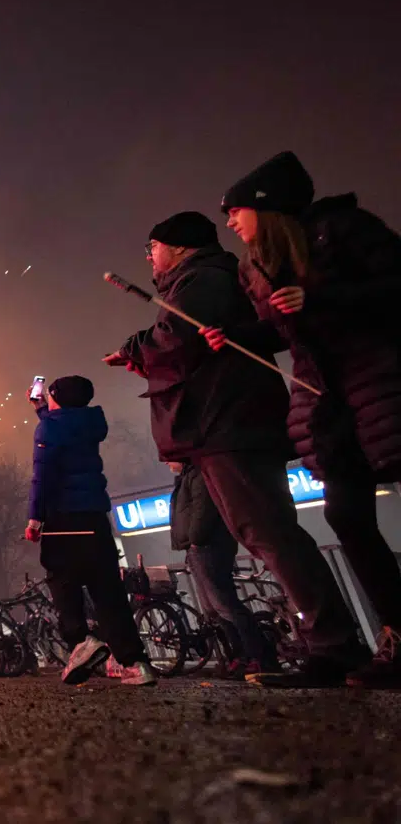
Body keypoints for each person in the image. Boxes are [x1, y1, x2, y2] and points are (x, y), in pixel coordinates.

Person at [106, 209, 367, 689]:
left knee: (270, 533)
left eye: (154, 246)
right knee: (267, 534)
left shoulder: (201, 279)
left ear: (180, 246)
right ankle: (330, 643)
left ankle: (333, 646)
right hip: (226, 424)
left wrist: (138, 346)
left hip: (228, 425)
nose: (149, 257)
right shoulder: (205, 279)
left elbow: (176, 338)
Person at [209, 151, 401, 687]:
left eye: (236, 210)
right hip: (329, 403)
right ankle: (396, 635)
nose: (230, 222)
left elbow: (392, 287)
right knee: (348, 515)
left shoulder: (340, 231)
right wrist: (237, 337)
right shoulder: (256, 266)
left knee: (351, 514)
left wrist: (319, 294)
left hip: (380, 383)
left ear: (266, 207)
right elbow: (285, 332)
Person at [24, 375, 156, 685]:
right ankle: (135, 663)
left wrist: (34, 520)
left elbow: (41, 477)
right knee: (108, 589)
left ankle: (81, 640)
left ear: (56, 396)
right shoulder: (90, 423)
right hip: (95, 517)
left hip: (62, 518)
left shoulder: (50, 428)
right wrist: (43, 411)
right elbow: (64, 427)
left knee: (61, 579)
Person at [168, 461, 278, 677]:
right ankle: (241, 656)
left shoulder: (198, 473)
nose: (166, 462)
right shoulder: (189, 476)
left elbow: (203, 508)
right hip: (199, 547)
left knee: (225, 605)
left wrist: (195, 540)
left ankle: (260, 656)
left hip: (208, 545)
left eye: (169, 458)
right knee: (215, 609)